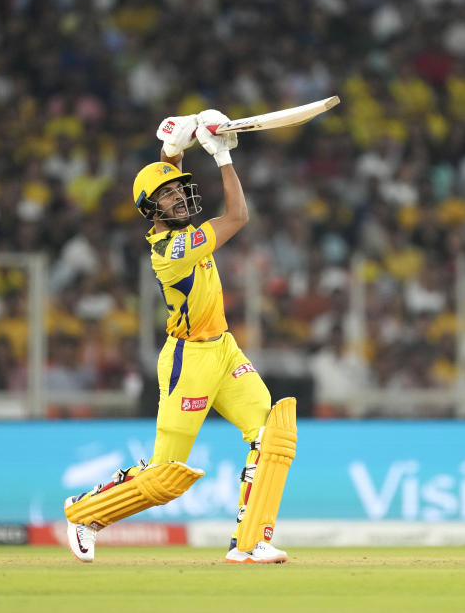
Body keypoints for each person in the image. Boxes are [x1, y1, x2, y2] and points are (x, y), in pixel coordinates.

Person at [63, 110, 297, 564]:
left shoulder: (182, 229)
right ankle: (85, 512)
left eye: (180, 188)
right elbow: (238, 215)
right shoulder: (171, 251)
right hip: (187, 362)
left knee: (273, 435)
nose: (180, 197)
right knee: (165, 476)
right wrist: (223, 156)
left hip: (224, 350)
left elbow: (161, 176)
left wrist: (175, 146)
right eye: (168, 195)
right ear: (152, 211)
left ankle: (250, 542)